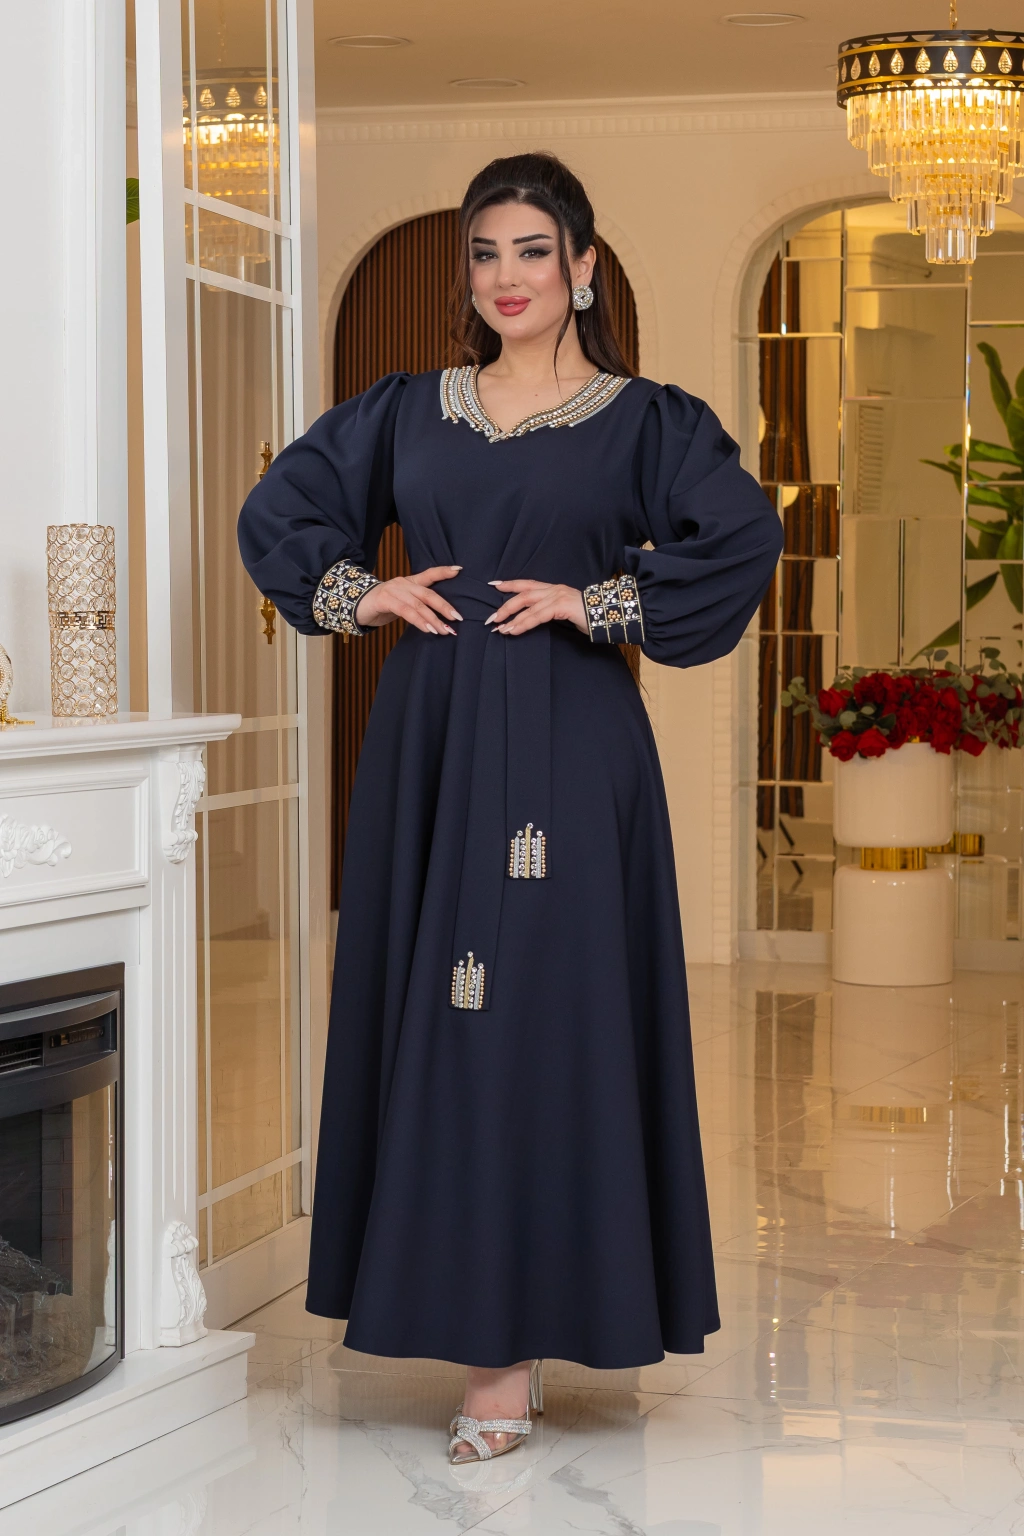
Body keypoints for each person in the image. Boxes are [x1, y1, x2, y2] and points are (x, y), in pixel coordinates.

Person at [237, 151, 783, 1465]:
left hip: (573, 747)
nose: (508, 277)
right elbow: (281, 508)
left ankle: (519, 1346)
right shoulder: (406, 411)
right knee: (447, 1010)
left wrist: (599, 603)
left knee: (550, 1017)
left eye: (534, 250)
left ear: (584, 267)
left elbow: (739, 538)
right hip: (431, 738)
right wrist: (360, 593)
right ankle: (491, 1344)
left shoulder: (647, 422)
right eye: (486, 253)